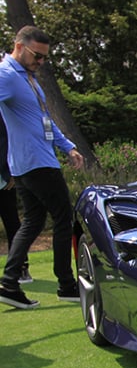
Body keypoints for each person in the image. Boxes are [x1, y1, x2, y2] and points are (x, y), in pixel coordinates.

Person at [0, 26, 84, 310]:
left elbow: (44, 120)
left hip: (27, 164)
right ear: (19, 47)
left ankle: (10, 283)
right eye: (37, 56)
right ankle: (66, 285)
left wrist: (68, 146)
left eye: (45, 58)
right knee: (64, 218)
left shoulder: (29, 78)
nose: (41, 62)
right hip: (35, 164)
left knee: (33, 221)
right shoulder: (8, 76)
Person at [0, 112, 29, 284]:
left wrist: (9, 171)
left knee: (11, 221)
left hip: (2, 179)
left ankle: (20, 268)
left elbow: (6, 140)